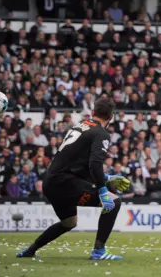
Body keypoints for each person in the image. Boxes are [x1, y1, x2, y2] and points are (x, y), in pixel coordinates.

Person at [17, 98, 130, 260]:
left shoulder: (80, 126)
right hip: (65, 183)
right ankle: (99, 252)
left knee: (69, 222)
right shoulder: (101, 133)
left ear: (92, 113)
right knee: (114, 202)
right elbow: (94, 165)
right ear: (111, 117)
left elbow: (78, 165)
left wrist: (107, 178)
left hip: (50, 182)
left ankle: (30, 250)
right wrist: (103, 190)